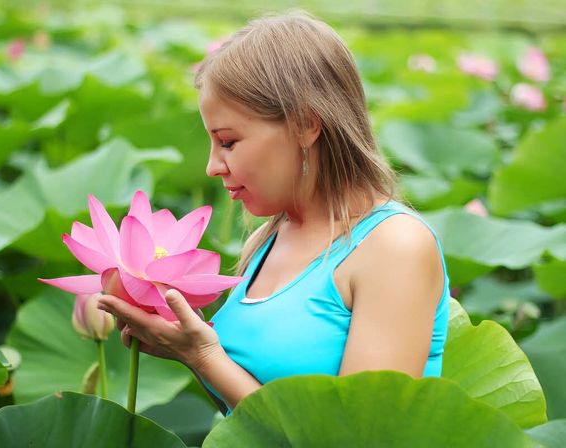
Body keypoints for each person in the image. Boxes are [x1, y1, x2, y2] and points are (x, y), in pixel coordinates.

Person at [97, 11, 450, 417]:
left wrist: (204, 356)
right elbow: (242, 415)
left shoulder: (395, 246)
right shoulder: (265, 240)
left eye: (227, 142)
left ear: (306, 125)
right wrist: (184, 346)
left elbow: (361, 434)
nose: (212, 166)